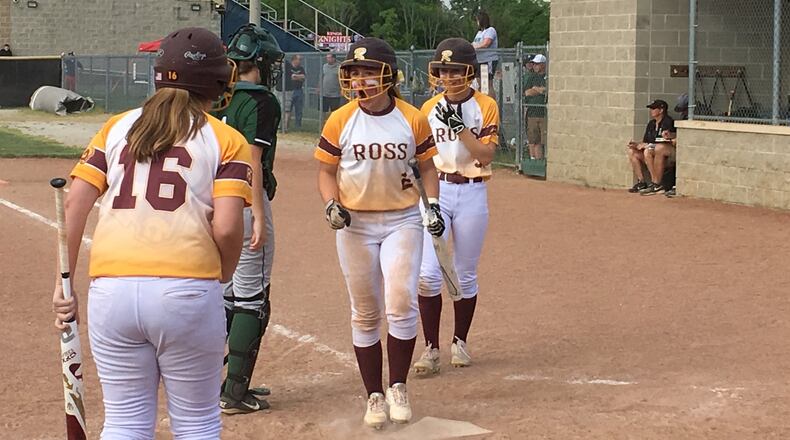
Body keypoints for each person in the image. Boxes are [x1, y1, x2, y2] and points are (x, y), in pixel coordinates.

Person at [52, 27, 252, 438]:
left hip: (112, 290)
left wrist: (64, 281)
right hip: (188, 289)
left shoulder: (117, 127)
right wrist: (223, 274)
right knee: (197, 422)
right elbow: (229, 227)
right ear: (217, 79)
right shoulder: (226, 138)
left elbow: (74, 204)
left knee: (125, 422)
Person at [314, 37, 442, 429]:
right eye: (353, 73)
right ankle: (373, 394)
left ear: (388, 75)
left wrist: (431, 205)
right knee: (365, 310)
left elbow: (427, 169)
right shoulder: (340, 119)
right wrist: (330, 203)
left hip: (402, 218)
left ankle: (398, 385)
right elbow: (326, 171)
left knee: (401, 300)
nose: (359, 81)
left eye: (368, 72)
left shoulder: (411, 117)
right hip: (355, 224)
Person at [413, 38, 499, 376]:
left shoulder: (485, 104)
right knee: (428, 274)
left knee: (464, 272)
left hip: (472, 191)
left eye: (455, 70)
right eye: (443, 70)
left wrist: (460, 128)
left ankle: (459, 341)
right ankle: (431, 348)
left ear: (470, 73)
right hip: (439, 190)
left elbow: (486, 155)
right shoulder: (428, 107)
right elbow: (420, 156)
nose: (448, 77)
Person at [213, 23, 283, 415]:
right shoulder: (260, 100)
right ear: (259, 63)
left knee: (223, 296)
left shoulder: (216, 98)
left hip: (210, 202)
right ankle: (234, 392)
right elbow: (253, 163)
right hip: (241, 200)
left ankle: (208, 381)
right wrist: (257, 214)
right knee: (253, 298)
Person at [626, 99, 675, 194]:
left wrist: (647, 145)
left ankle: (655, 183)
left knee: (648, 150)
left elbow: (666, 141)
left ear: (661, 110)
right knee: (632, 151)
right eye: (651, 108)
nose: (651, 111)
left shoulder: (668, 121)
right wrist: (637, 145)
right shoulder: (651, 123)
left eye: (654, 108)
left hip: (665, 154)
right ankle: (642, 182)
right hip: (652, 152)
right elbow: (646, 141)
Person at [523, 54, 547, 160]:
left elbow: (546, 91)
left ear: (543, 65)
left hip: (544, 113)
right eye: (534, 64)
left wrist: (535, 89)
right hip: (532, 112)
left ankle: (542, 162)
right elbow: (527, 92)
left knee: (543, 140)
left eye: (537, 64)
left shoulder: (547, 77)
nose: (535, 66)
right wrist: (539, 90)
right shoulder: (532, 77)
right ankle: (534, 161)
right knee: (533, 140)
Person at [471, 11, 498, 94]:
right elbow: (474, 43)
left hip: (487, 61)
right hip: (479, 61)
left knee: (487, 85)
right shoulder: (479, 33)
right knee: (481, 85)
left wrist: (473, 46)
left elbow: (486, 43)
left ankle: (491, 105)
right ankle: (481, 104)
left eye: (478, 20)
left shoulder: (490, 30)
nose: (477, 22)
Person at [284, 54, 305, 130]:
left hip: (299, 90)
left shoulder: (301, 68)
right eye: (298, 59)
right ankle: (286, 126)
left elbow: (303, 77)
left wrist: (295, 76)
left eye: (300, 60)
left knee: (299, 109)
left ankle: (298, 126)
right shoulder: (289, 67)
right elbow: (291, 77)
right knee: (288, 109)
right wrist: (298, 77)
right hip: (289, 90)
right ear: (294, 60)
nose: (300, 61)